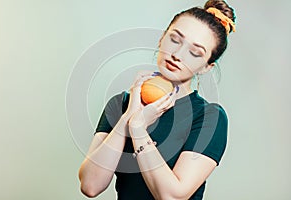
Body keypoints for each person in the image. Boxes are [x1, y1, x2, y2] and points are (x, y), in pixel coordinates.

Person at [78, 0, 236, 199]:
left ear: (206, 67)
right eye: (175, 40)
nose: (177, 55)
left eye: (195, 52)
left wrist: (138, 129)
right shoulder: (121, 104)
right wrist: (127, 118)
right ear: (162, 38)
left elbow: (172, 197)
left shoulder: (209, 117)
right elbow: (90, 185)